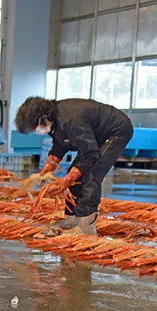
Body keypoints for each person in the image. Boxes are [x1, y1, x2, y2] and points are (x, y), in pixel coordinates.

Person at [15, 96, 134, 235]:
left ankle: (86, 226)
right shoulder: (55, 119)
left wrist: (66, 180)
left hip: (116, 131)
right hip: (96, 134)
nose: (36, 131)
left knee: (91, 174)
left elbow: (90, 153)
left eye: (34, 127)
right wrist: (48, 168)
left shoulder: (71, 120)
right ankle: (73, 217)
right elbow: (59, 144)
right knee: (76, 173)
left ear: (44, 118)